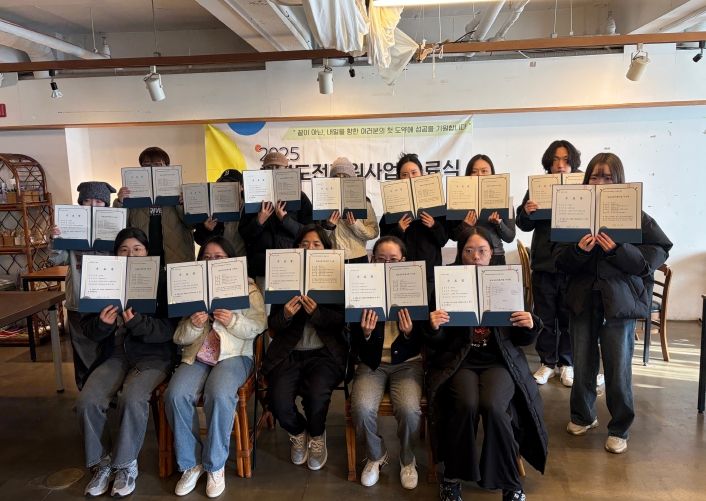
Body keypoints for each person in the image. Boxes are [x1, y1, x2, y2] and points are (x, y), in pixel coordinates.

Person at [555, 152, 672, 454]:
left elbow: (659, 249)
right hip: (582, 298)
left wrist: (619, 250)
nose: (600, 182)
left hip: (619, 301)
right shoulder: (573, 211)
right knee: (582, 362)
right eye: (595, 176)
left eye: (607, 177)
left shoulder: (634, 214)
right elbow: (559, 259)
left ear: (618, 180)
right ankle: (583, 415)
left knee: (618, 366)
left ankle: (620, 426)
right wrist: (579, 251)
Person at [426, 227, 547, 501]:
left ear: (492, 253)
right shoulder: (447, 282)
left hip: (499, 362)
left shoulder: (507, 281)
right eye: (469, 251)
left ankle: (509, 482)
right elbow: (436, 341)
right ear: (461, 253)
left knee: (494, 406)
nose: (475, 257)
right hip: (460, 362)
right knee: (466, 404)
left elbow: (521, 338)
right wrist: (434, 326)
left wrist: (530, 324)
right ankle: (452, 477)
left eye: (482, 251)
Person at [76, 228, 177, 498]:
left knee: (132, 398)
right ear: (115, 255)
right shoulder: (102, 279)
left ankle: (125, 464)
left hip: (153, 356)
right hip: (115, 354)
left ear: (147, 253)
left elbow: (169, 330)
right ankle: (101, 463)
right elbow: (89, 329)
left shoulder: (162, 281)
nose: (130, 255)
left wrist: (138, 323)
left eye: (137, 250)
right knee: (88, 401)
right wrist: (102, 323)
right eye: (124, 250)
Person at [165, 236, 267, 497]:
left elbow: (259, 326)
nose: (212, 262)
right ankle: (191, 463)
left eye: (219, 257)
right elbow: (179, 337)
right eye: (207, 257)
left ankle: (215, 464)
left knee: (219, 394)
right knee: (175, 394)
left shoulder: (248, 287)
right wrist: (193, 324)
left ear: (231, 260)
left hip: (234, 355)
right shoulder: (192, 288)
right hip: (198, 356)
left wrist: (233, 320)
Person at [262, 224, 348, 471]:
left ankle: (317, 435)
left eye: (316, 244)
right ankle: (298, 432)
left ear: (326, 249)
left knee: (316, 396)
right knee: (278, 400)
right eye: (304, 244)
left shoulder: (336, 275)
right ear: (297, 248)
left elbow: (342, 321)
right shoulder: (284, 275)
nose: (310, 248)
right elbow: (273, 324)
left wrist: (317, 313)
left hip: (324, 352)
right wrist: (286, 314)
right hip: (289, 352)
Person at [350, 235, 423, 489]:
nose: (387, 264)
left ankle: (407, 458)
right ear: (373, 260)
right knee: (361, 408)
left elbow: (426, 338)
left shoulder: (416, 285)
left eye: (393, 259)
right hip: (372, 363)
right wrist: (366, 333)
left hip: (408, 363)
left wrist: (409, 333)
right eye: (381, 259)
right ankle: (376, 455)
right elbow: (353, 340)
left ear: (404, 261)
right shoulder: (361, 284)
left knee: (409, 410)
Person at [516, 140, 581, 386]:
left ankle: (567, 363)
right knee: (544, 316)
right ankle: (547, 363)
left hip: (573, 263)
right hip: (544, 262)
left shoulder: (583, 185)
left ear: (573, 162)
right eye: (555, 160)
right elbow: (523, 224)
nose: (560, 165)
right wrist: (527, 211)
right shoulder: (538, 186)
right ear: (548, 162)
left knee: (568, 317)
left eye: (565, 159)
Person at [48, 181, 115, 389]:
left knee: (108, 346)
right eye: (87, 201)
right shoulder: (71, 227)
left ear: (106, 204)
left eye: (99, 201)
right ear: (80, 203)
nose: (93, 205)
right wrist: (56, 239)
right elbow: (57, 260)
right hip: (78, 298)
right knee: (82, 347)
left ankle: (107, 391)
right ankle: (85, 390)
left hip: (108, 297)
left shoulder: (115, 225)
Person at [238, 151, 313, 289]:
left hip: (291, 264)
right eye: (269, 167)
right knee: (263, 303)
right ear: (263, 170)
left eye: (278, 167)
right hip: (262, 267)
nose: (273, 170)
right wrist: (259, 221)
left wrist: (285, 219)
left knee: (291, 302)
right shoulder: (253, 197)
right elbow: (244, 234)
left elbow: (310, 232)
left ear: (287, 169)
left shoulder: (300, 197)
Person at [114, 146, 195, 266]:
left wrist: (184, 204)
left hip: (177, 256)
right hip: (141, 258)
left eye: (158, 164)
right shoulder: (131, 192)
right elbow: (119, 228)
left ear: (167, 167)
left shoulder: (180, 192)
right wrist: (120, 202)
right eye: (146, 165)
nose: (152, 168)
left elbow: (191, 225)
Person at [379, 153, 448, 288]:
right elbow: (384, 240)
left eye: (414, 172)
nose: (410, 177)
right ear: (399, 178)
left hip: (429, 273)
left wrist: (434, 225)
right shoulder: (392, 207)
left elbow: (443, 240)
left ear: (422, 174)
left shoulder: (436, 204)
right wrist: (398, 230)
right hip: (401, 272)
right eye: (404, 174)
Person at [449, 154, 516, 265]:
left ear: (492, 173)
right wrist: (465, 225)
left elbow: (510, 237)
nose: (479, 175)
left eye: (484, 171)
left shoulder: (504, 199)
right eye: (474, 171)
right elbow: (453, 236)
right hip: (467, 257)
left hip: (495, 256)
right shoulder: (458, 198)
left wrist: (499, 223)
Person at [321, 157, 379, 263]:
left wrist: (355, 225)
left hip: (359, 258)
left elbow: (374, 232)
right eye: (336, 176)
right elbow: (317, 237)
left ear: (352, 179)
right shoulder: (322, 202)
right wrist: (328, 226)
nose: (341, 179)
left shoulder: (364, 201)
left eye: (345, 176)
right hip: (332, 257)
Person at [193, 169, 246, 257]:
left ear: (242, 186)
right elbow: (199, 239)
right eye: (223, 184)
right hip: (220, 262)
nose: (227, 187)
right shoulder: (212, 209)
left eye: (231, 183)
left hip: (244, 261)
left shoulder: (250, 209)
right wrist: (206, 229)